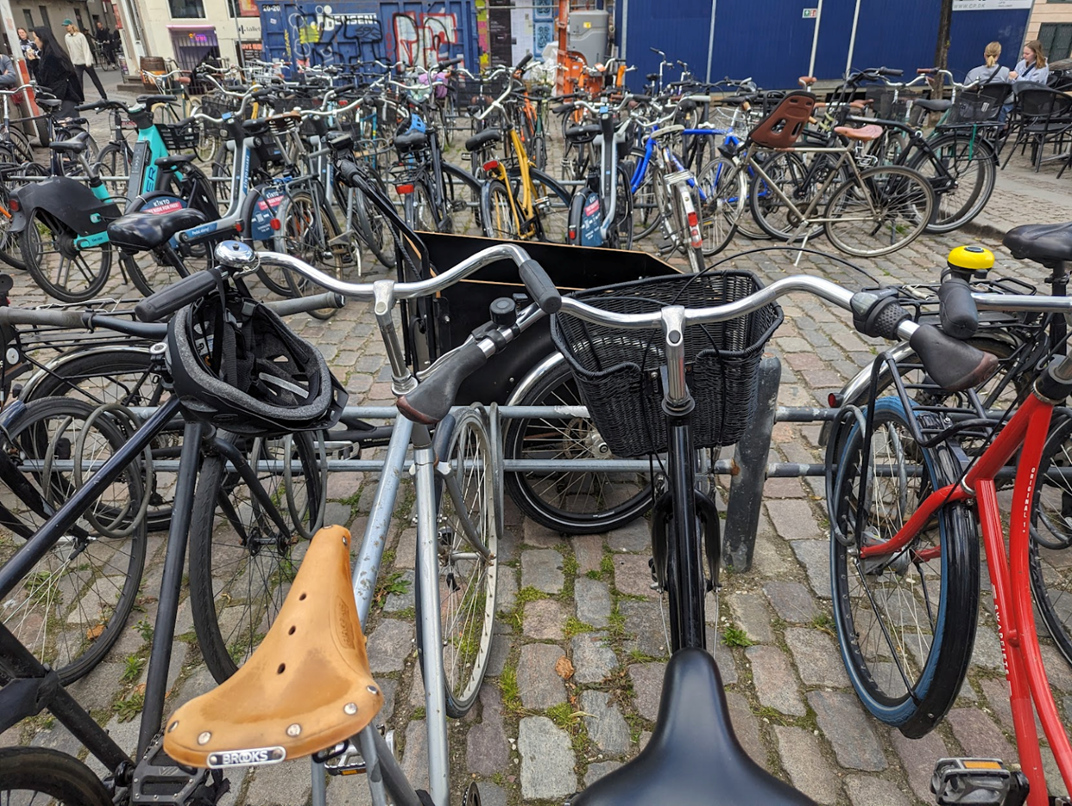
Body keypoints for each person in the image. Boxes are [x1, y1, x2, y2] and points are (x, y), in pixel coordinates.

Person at [31, 26, 82, 117]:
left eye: (35, 38)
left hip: (61, 99)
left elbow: (43, 82)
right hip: (67, 98)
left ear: (42, 38)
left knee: (68, 129)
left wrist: (34, 63)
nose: (34, 41)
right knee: (71, 128)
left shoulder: (50, 57)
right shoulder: (56, 52)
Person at [63, 18, 106, 100]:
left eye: (67, 25)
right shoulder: (67, 37)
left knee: (95, 79)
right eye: (65, 26)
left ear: (72, 25)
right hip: (77, 62)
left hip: (86, 62)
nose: (66, 27)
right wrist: (72, 62)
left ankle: (103, 95)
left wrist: (88, 61)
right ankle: (80, 98)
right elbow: (70, 50)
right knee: (78, 81)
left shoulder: (80, 36)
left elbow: (86, 48)